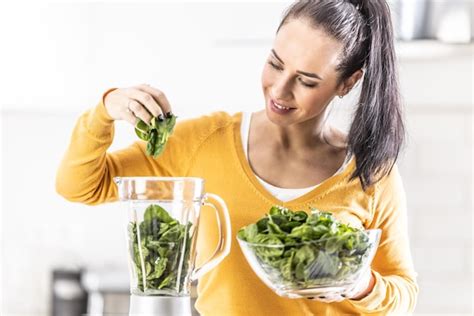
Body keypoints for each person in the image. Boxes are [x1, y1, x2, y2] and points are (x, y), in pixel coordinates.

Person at [56, 0, 419, 314]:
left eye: (306, 81)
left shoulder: (371, 172)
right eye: (275, 64)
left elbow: (403, 293)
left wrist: (358, 283)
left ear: (347, 83)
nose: (279, 89)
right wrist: (104, 111)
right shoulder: (203, 142)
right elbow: (81, 187)